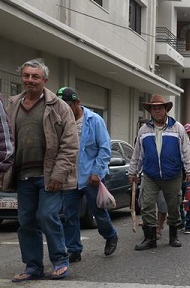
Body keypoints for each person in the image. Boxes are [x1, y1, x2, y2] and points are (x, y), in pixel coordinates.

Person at [4, 59, 78, 281]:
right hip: (23, 176)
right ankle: (33, 266)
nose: (30, 80)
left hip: (49, 175)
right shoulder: (13, 104)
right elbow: (5, 139)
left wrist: (58, 174)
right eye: (26, 76)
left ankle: (60, 260)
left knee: (46, 215)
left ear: (45, 80)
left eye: (35, 77)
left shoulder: (59, 107)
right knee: (26, 221)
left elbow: (70, 144)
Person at [57, 87, 118, 263]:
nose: (65, 109)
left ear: (77, 103)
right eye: (62, 106)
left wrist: (97, 172)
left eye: (68, 105)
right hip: (69, 177)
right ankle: (74, 249)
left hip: (90, 176)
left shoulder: (94, 120)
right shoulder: (60, 121)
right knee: (70, 216)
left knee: (99, 212)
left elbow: (105, 148)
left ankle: (110, 235)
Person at [128, 94, 190, 250]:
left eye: (160, 107)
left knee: (173, 206)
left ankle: (173, 236)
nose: (156, 110)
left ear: (166, 109)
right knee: (147, 206)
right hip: (150, 175)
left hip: (172, 175)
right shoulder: (144, 129)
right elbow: (137, 153)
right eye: (154, 108)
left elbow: (186, 151)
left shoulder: (177, 127)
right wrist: (133, 172)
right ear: (150, 110)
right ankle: (150, 238)